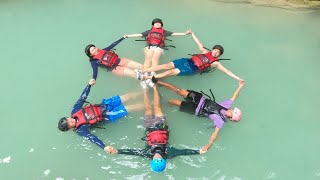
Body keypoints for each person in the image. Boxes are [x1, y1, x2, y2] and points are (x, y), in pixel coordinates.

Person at [105, 81, 207, 173]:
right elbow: (183, 152)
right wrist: (198, 151)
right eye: (160, 158)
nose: (157, 156)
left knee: (148, 108)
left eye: (156, 158)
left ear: (152, 160)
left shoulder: (147, 154)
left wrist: (117, 151)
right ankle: (154, 87)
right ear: (163, 159)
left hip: (149, 127)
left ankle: (144, 89)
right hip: (161, 126)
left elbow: (132, 152)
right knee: (157, 106)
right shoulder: (170, 153)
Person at [152, 78, 245, 152]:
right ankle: (157, 82)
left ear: (231, 118)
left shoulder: (220, 121)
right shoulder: (227, 105)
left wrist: (209, 145)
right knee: (178, 90)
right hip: (199, 99)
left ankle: (163, 105)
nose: (232, 110)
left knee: (172, 101)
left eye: (233, 112)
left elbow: (214, 135)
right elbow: (234, 96)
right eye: (233, 109)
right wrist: (240, 86)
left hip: (194, 109)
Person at [57, 79, 144, 153]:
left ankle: (145, 91)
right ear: (70, 128)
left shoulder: (75, 111)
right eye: (68, 124)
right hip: (109, 115)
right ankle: (150, 104)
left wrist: (89, 85)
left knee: (128, 96)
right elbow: (92, 138)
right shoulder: (81, 130)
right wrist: (104, 147)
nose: (70, 121)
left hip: (105, 104)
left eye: (67, 119)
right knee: (133, 107)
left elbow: (82, 98)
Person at [142, 31, 244, 82]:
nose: (216, 53)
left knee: (170, 72)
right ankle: (145, 70)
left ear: (219, 55)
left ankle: (148, 77)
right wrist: (192, 33)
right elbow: (198, 43)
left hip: (191, 68)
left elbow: (227, 71)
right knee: (165, 66)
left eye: (218, 53)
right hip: (186, 61)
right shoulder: (204, 51)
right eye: (215, 50)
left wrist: (238, 78)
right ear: (212, 50)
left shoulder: (216, 63)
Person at [125, 18, 192, 70]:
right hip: (149, 46)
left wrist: (185, 33)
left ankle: (152, 74)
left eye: (159, 23)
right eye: (156, 23)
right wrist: (128, 36)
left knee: (155, 59)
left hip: (159, 47)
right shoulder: (149, 31)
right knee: (148, 58)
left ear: (161, 25)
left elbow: (174, 33)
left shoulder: (164, 32)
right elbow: (139, 34)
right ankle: (145, 73)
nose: (158, 24)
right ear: (153, 25)